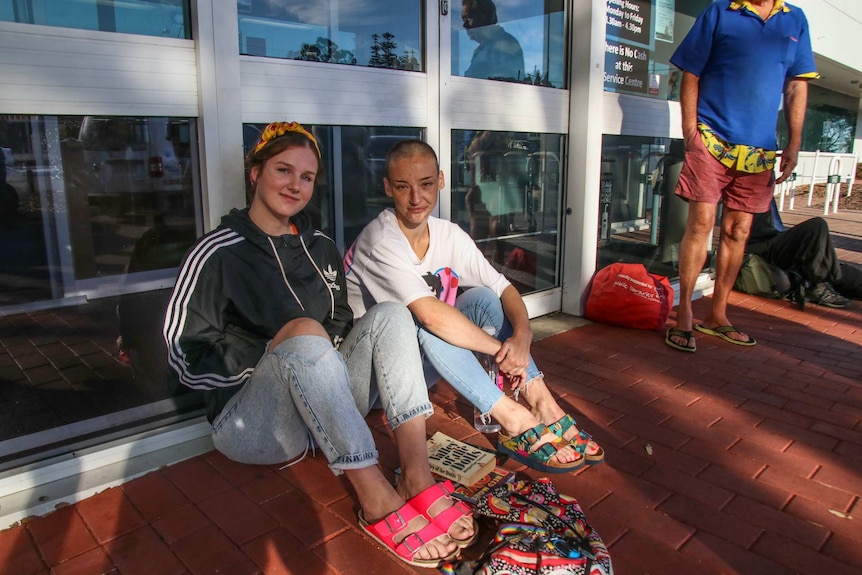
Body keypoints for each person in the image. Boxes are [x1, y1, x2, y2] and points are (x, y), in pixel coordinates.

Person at [162, 122, 475, 568]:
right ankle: (376, 499)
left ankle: (417, 477)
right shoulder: (218, 251)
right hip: (255, 424)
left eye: (306, 177)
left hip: (326, 403)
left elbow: (343, 319)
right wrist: (277, 350)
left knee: (391, 314)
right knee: (304, 333)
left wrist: (318, 356)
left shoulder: (320, 244)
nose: (295, 185)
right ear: (255, 173)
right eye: (283, 170)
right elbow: (183, 351)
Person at [344, 140, 604, 475]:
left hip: (416, 366)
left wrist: (523, 337)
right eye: (402, 187)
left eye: (425, 185)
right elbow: (431, 316)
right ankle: (512, 417)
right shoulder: (380, 238)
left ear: (440, 180)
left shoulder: (447, 234)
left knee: (481, 297)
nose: (416, 199)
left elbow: (504, 288)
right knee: (429, 319)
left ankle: (542, 402)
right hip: (371, 382)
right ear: (387, 188)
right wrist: (503, 351)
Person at [664, 0, 819, 353]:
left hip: (760, 150)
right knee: (701, 223)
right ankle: (685, 312)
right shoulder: (721, 12)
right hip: (712, 139)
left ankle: (718, 315)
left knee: (739, 230)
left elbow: (796, 85)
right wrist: (692, 131)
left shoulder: (794, 19)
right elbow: (691, 71)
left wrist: (794, 142)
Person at [743, 201, 857, 307]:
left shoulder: (761, 192)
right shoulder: (734, 196)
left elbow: (776, 227)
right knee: (816, 226)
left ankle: (821, 280)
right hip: (757, 250)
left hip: (773, 241)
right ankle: (818, 284)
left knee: (818, 241)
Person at [462, 0, 525, 82]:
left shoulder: (504, 43)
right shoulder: (483, 48)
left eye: (468, 18)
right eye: (463, 20)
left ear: (482, 16)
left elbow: (503, 85)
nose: (464, 25)